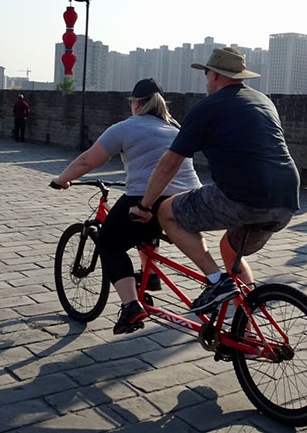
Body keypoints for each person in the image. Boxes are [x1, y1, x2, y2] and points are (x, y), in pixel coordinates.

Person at [129, 47, 300, 315]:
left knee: (167, 213)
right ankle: (248, 319)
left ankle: (216, 282)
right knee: (229, 249)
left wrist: (145, 205)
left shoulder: (207, 107)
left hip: (242, 196)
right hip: (287, 199)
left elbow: (170, 163)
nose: (205, 80)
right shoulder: (264, 100)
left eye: (206, 74)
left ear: (216, 75)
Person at [50, 78, 201, 334]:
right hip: (189, 200)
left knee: (110, 242)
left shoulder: (125, 127)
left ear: (137, 104)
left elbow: (89, 160)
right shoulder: (174, 127)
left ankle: (131, 306)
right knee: (145, 227)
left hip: (146, 196)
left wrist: (62, 179)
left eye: (132, 102)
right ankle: (149, 275)